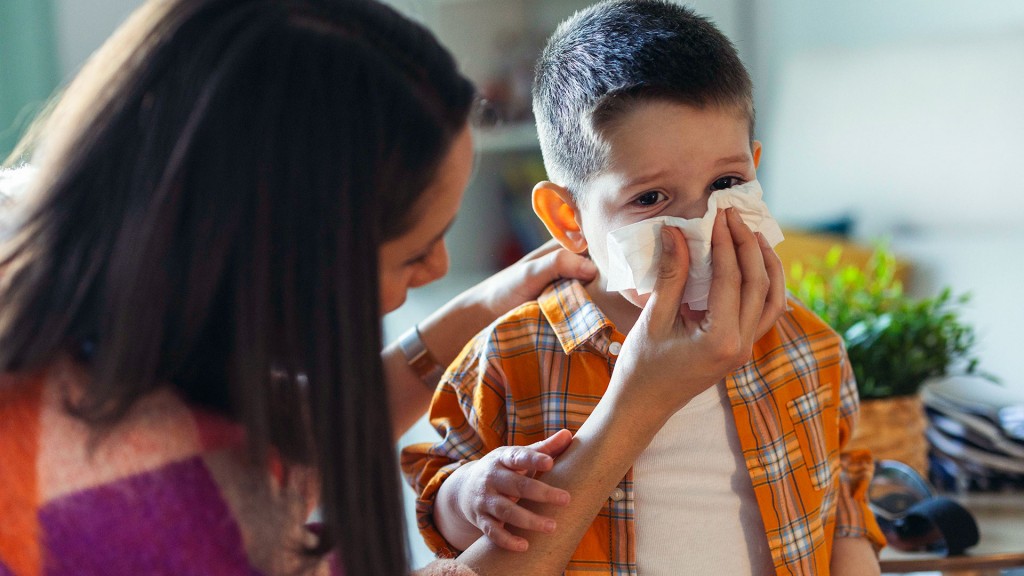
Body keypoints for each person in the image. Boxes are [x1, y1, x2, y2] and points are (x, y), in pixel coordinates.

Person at [0, 0, 784, 574]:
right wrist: (634, 408)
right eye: (415, 253)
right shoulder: (141, 512)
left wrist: (472, 312)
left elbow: (287, 428)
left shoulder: (117, 348)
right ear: (277, 257)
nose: (442, 272)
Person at [402, 2, 886, 574]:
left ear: (755, 170)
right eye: (650, 199)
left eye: (726, 183)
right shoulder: (512, 357)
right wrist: (474, 493)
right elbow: (442, 504)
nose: (702, 227)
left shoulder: (809, 345)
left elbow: (844, 501)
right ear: (569, 222)